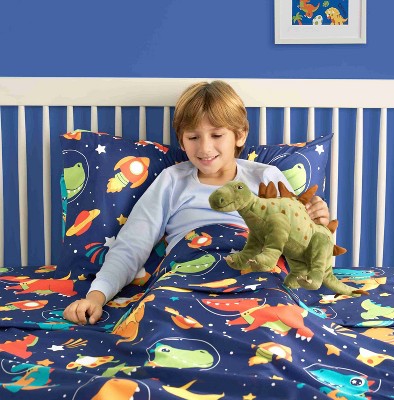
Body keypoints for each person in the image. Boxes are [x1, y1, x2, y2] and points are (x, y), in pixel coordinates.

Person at [63, 80, 330, 325]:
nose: (204, 148)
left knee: (280, 315)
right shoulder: (172, 181)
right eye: (193, 137)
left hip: (254, 271)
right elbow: (132, 245)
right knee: (157, 318)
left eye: (217, 135)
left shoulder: (266, 177)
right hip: (185, 275)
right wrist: (96, 297)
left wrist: (317, 223)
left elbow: (297, 245)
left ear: (240, 135)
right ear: (182, 140)